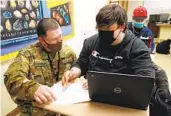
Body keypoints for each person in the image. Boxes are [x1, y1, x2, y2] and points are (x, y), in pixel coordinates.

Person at [62, 4, 170, 116]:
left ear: (122, 27)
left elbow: (144, 82)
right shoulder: (90, 42)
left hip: (122, 103)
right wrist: (74, 71)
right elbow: (81, 63)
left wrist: (101, 85)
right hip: (90, 99)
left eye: (108, 30)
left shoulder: (137, 48)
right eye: (100, 30)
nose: (103, 35)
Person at [4, 18, 76, 116]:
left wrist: (74, 73)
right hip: (37, 111)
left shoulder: (68, 52)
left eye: (60, 36)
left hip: (63, 109)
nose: (59, 41)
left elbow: (78, 68)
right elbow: (11, 79)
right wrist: (33, 89)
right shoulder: (27, 55)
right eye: (55, 39)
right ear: (42, 40)